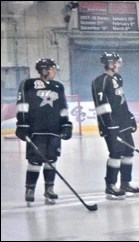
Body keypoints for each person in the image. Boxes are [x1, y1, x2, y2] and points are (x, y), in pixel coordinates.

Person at [17, 58, 72, 205]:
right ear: (44, 70)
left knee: (51, 160)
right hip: (36, 130)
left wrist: (66, 124)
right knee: (35, 161)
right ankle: (30, 189)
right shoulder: (28, 84)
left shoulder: (58, 86)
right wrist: (22, 124)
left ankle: (49, 189)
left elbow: (63, 107)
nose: (55, 72)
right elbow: (22, 105)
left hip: (54, 130)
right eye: (53, 69)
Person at [92, 52, 139, 200]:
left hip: (123, 122)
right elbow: (100, 105)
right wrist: (108, 125)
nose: (119, 65)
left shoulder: (118, 78)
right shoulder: (100, 81)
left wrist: (130, 116)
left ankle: (125, 183)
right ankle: (111, 185)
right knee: (115, 154)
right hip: (111, 125)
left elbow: (122, 100)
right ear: (111, 64)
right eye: (117, 63)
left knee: (129, 152)